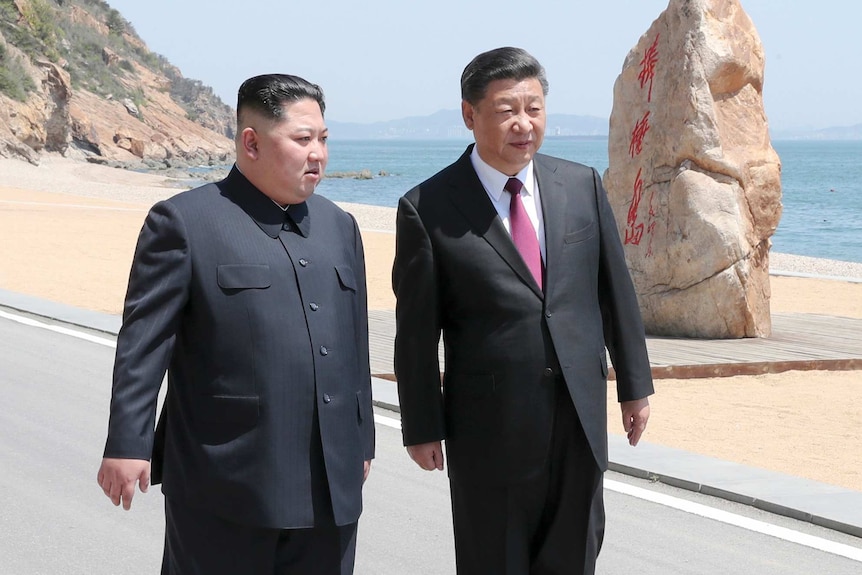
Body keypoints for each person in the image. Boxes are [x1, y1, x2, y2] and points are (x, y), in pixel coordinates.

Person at [97, 74, 375, 575]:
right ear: (251, 142)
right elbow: (143, 343)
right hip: (224, 480)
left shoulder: (340, 226)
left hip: (329, 482)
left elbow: (355, 343)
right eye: (302, 139)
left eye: (324, 139)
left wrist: (362, 441)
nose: (318, 154)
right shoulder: (185, 222)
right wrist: (127, 443)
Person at [392, 47, 654, 574]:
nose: (523, 124)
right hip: (488, 431)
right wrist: (422, 425)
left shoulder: (581, 184)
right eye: (507, 109)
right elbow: (416, 335)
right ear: (469, 115)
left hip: (578, 418)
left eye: (533, 109)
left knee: (575, 555)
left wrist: (635, 384)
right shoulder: (427, 207)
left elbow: (614, 292)